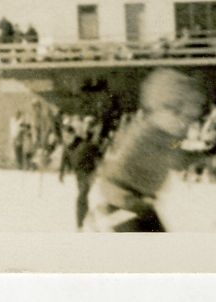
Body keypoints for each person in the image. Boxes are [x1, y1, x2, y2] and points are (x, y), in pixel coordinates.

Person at [87, 69, 205, 232]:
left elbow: (176, 152)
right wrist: (207, 154)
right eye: (184, 114)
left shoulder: (163, 134)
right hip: (121, 201)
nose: (186, 122)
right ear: (169, 108)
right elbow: (177, 160)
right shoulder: (150, 133)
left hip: (136, 203)